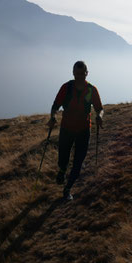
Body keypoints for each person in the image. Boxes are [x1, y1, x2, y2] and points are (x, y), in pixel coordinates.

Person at [47, 61, 103, 200]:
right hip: (67, 129)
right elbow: (55, 105)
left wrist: (99, 116)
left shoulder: (91, 89)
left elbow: (99, 108)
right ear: (73, 73)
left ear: (86, 73)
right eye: (77, 73)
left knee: (78, 162)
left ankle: (67, 189)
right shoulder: (66, 88)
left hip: (84, 130)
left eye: (82, 73)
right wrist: (53, 117)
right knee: (63, 158)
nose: (79, 76)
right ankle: (62, 170)